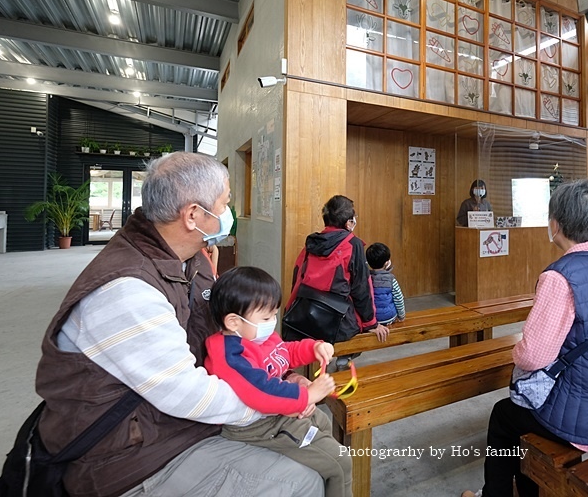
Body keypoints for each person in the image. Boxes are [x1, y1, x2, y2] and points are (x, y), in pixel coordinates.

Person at [34, 152, 324, 497]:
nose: (228, 214)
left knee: (314, 435)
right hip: (131, 458)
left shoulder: (191, 260)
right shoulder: (127, 289)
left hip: (175, 427)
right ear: (193, 215)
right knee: (303, 479)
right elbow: (187, 394)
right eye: (225, 203)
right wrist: (277, 400)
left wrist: (279, 378)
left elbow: (230, 340)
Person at [462, 179, 588, 497]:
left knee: (504, 415)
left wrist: (520, 346)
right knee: (523, 417)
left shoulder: (560, 276)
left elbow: (531, 357)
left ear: (555, 224)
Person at [204, 266, 352, 497]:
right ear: (233, 322)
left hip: (279, 413)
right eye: (266, 317)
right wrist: (307, 396)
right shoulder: (229, 354)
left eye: (274, 314)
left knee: (322, 422)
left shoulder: (258, 335)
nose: (273, 321)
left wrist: (314, 347)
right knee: (340, 462)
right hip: (260, 426)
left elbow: (286, 352)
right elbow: (261, 390)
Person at [285, 195, 389, 364]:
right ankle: (345, 358)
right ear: (349, 222)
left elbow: (297, 277)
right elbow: (361, 288)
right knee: (360, 325)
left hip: (307, 317)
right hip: (339, 323)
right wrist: (372, 323)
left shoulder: (311, 243)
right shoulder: (352, 244)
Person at [365, 242, 406, 325]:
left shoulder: (366, 278)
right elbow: (399, 298)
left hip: (372, 319)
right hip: (389, 318)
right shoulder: (391, 279)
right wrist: (401, 316)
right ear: (387, 263)